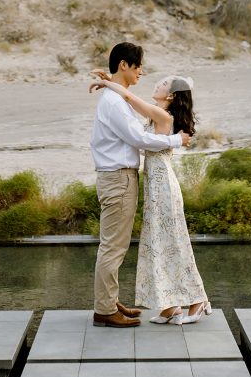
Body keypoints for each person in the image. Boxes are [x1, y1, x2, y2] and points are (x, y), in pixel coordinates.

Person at [89, 70, 210, 325]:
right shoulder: (159, 114)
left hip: (163, 184)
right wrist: (111, 81)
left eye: (163, 84)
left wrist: (107, 82)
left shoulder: (162, 114)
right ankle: (169, 305)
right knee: (159, 241)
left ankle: (198, 300)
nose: (157, 84)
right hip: (154, 184)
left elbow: (129, 98)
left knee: (171, 240)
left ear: (171, 95)